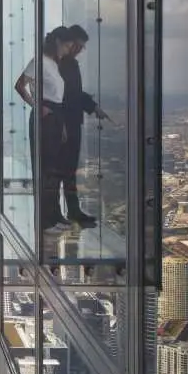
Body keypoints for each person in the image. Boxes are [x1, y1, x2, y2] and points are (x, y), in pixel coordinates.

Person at [14, 28, 74, 233]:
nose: (69, 49)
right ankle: (45, 221)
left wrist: (63, 125)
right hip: (45, 116)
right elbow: (20, 85)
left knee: (55, 169)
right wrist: (37, 106)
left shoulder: (54, 65)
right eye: (67, 45)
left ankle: (55, 214)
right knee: (46, 169)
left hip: (56, 115)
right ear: (57, 42)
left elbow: (57, 98)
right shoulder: (39, 61)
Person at [57, 24, 110, 226]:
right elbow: (68, 96)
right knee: (64, 170)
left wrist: (92, 106)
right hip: (65, 124)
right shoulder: (62, 64)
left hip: (70, 123)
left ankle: (71, 210)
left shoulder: (67, 63)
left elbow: (73, 94)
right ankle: (66, 212)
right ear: (69, 43)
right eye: (78, 46)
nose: (80, 50)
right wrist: (91, 106)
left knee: (69, 170)